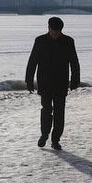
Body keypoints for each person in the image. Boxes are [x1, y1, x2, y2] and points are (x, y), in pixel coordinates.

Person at [25, 16, 80, 150]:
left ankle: (55, 140)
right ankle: (44, 134)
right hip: (45, 82)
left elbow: (74, 62)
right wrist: (29, 81)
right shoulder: (40, 41)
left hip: (61, 83)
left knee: (59, 112)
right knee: (46, 110)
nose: (55, 33)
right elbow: (32, 61)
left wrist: (74, 80)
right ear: (48, 28)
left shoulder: (68, 41)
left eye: (58, 31)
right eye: (53, 30)